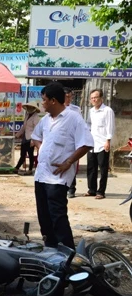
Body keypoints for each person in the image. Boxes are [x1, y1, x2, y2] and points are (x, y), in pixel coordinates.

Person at [31, 82, 93, 249]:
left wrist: (68, 162)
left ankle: (68, 255)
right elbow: (35, 137)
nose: (41, 103)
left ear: (53, 101)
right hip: (41, 175)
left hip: (58, 178)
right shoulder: (45, 121)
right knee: (43, 217)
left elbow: (86, 143)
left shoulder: (73, 118)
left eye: (44, 100)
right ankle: (50, 251)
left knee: (57, 217)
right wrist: (41, 147)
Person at [85, 88, 115, 200]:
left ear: (101, 98)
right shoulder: (91, 111)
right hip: (92, 143)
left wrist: (108, 140)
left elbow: (110, 126)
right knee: (91, 168)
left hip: (103, 144)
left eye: (96, 97)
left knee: (102, 169)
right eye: (92, 98)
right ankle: (91, 189)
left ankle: (101, 191)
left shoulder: (107, 110)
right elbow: (88, 123)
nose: (94, 99)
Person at [63, 88, 83, 198]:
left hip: (72, 141)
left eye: (70, 97)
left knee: (71, 164)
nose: (68, 99)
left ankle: (71, 188)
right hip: (60, 141)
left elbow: (80, 126)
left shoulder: (76, 109)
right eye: (66, 97)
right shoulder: (57, 109)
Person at [13, 101, 41, 175]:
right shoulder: (27, 115)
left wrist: (33, 140)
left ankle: (30, 169)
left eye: (31, 107)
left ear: (34, 108)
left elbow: (36, 129)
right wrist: (17, 135)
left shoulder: (36, 117)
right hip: (25, 137)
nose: (29, 109)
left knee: (30, 154)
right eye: (28, 107)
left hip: (31, 138)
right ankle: (17, 168)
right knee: (22, 154)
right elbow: (24, 127)